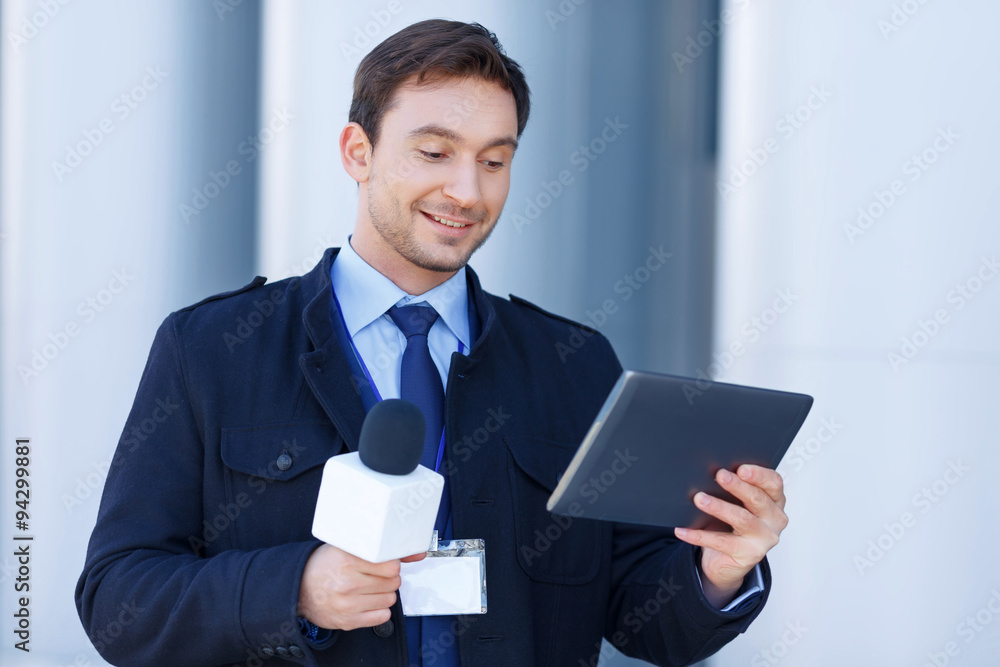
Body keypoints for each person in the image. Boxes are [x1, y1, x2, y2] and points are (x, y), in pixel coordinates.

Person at [76, 19, 788, 667]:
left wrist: (718, 569)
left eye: (493, 161)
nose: (466, 190)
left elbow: (643, 619)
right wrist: (293, 588)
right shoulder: (210, 350)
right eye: (435, 152)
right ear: (358, 151)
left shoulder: (571, 365)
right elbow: (117, 601)